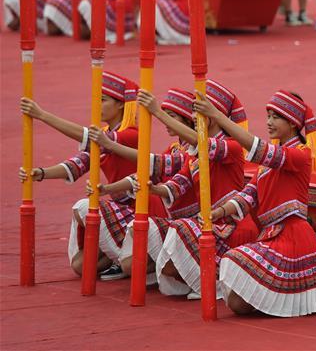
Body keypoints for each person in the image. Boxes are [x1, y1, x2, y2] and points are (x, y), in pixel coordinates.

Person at [198, 90, 316, 317]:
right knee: (237, 304)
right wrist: (215, 212)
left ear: (293, 123)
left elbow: (260, 150)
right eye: (268, 116)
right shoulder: (267, 164)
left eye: (275, 117)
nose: (268, 122)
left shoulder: (300, 154)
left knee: (232, 261)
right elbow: (247, 197)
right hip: (272, 236)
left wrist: (219, 118)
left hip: (294, 238)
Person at [18, 72, 139, 278]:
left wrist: (42, 115)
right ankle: (121, 255)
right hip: (120, 211)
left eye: (103, 100)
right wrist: (39, 173)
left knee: (84, 206)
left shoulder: (131, 135)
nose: (97, 106)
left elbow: (92, 138)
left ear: (121, 105)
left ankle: (132, 259)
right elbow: (76, 165)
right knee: (80, 267)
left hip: (139, 211)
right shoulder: (106, 134)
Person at [149, 79, 258, 300]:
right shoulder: (194, 150)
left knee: (180, 228)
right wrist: (154, 189)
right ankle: (207, 279)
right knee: (165, 256)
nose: (193, 118)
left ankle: (215, 281)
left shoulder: (231, 146)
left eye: (198, 112)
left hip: (232, 225)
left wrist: (158, 113)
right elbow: (179, 183)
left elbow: (205, 145)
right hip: (210, 221)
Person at [90, 88, 195, 281]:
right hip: (171, 214)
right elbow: (145, 173)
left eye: (171, 116)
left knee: (131, 265)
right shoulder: (175, 148)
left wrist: (41, 115)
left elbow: (154, 163)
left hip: (196, 219)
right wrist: (105, 189)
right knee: (85, 262)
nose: (164, 122)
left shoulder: (196, 151)